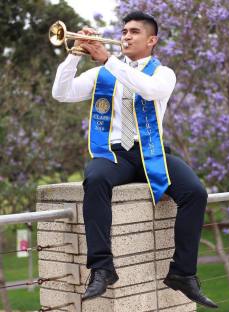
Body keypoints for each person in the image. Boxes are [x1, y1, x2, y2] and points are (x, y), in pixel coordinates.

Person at [52, 11, 218, 309]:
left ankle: (182, 274)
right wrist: (75, 55)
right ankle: (102, 268)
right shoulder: (104, 72)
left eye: (134, 32)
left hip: (152, 151)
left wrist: (107, 60)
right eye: (124, 31)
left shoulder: (162, 73)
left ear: (151, 40)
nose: (126, 36)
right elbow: (61, 94)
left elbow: (149, 90)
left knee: (195, 192)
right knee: (95, 179)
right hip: (114, 153)